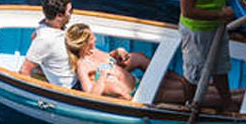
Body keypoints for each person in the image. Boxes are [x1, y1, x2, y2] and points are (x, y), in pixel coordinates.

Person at [65, 23, 198, 105]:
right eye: (92, 38)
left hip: (136, 81)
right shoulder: (83, 65)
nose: (95, 39)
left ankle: (185, 80)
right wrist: (103, 74)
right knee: (188, 93)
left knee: (138, 58)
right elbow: (90, 95)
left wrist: (117, 52)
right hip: (135, 94)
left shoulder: (94, 51)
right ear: (83, 45)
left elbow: (110, 61)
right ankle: (214, 100)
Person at [19, 0, 78, 87]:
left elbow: (33, 36)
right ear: (59, 16)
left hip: (76, 73)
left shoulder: (50, 25)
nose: (71, 14)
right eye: (70, 11)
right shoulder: (45, 39)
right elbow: (24, 71)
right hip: (71, 87)